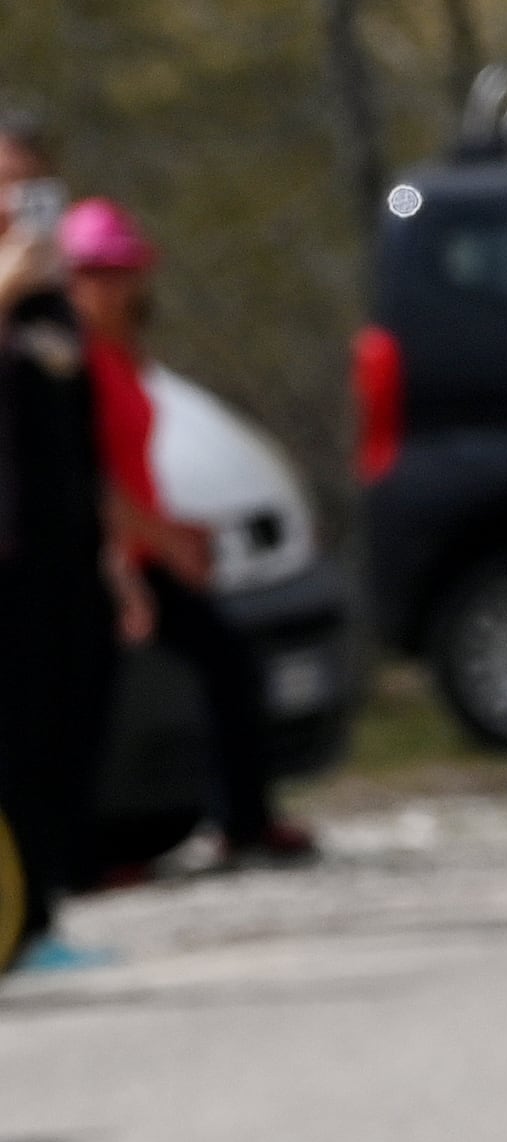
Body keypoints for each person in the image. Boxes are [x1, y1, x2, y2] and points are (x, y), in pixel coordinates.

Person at [62, 202, 307, 869]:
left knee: (226, 663)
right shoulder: (67, 359)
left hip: (140, 545)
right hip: (105, 553)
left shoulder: (121, 354)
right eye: (94, 272)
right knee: (86, 703)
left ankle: (245, 820)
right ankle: (77, 852)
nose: (112, 285)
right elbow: (86, 475)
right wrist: (154, 544)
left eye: (120, 270)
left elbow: (132, 468)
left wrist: (172, 531)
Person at [0, 161, 128, 963]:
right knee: (11, 738)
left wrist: (115, 552)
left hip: (65, 550)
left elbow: (88, 437)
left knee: (68, 724)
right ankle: (18, 927)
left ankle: (44, 911)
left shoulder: (52, 307)